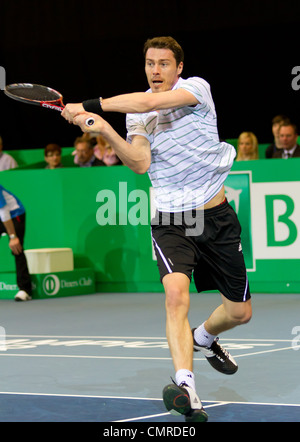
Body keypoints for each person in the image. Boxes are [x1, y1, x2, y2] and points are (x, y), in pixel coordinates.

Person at [62, 36, 252, 422]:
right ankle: (187, 387)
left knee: (240, 312)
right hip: (171, 217)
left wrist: (90, 105)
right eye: (150, 63)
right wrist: (104, 130)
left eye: (164, 63)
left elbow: (149, 101)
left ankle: (203, 338)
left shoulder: (196, 89)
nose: (156, 70)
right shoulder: (135, 115)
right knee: (175, 296)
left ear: (179, 68)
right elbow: (139, 163)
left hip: (215, 215)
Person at [0, 185, 32, 301]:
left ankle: (24, 290)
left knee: (16, 249)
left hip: (14, 214)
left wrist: (13, 237)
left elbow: (4, 212)